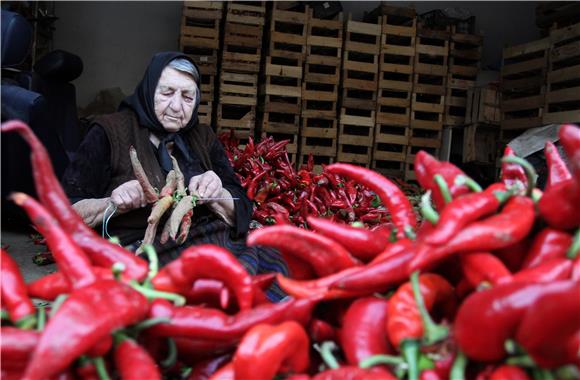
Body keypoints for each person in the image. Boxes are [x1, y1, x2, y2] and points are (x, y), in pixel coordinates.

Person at [61, 52, 288, 299]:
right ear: (148, 90)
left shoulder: (202, 136)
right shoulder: (108, 132)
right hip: (143, 250)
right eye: (167, 93)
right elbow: (64, 213)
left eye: (187, 97)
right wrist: (111, 204)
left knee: (271, 254)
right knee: (214, 285)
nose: (177, 106)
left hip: (210, 237)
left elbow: (242, 206)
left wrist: (218, 192)